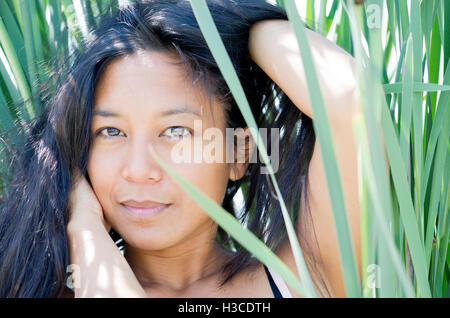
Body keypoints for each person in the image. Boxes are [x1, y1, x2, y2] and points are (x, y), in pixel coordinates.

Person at [0, 0, 362, 298]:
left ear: (238, 154)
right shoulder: (45, 289)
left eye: (175, 131)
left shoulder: (304, 279)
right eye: (110, 131)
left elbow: (350, 100)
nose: (139, 169)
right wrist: (83, 228)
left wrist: (232, 26)